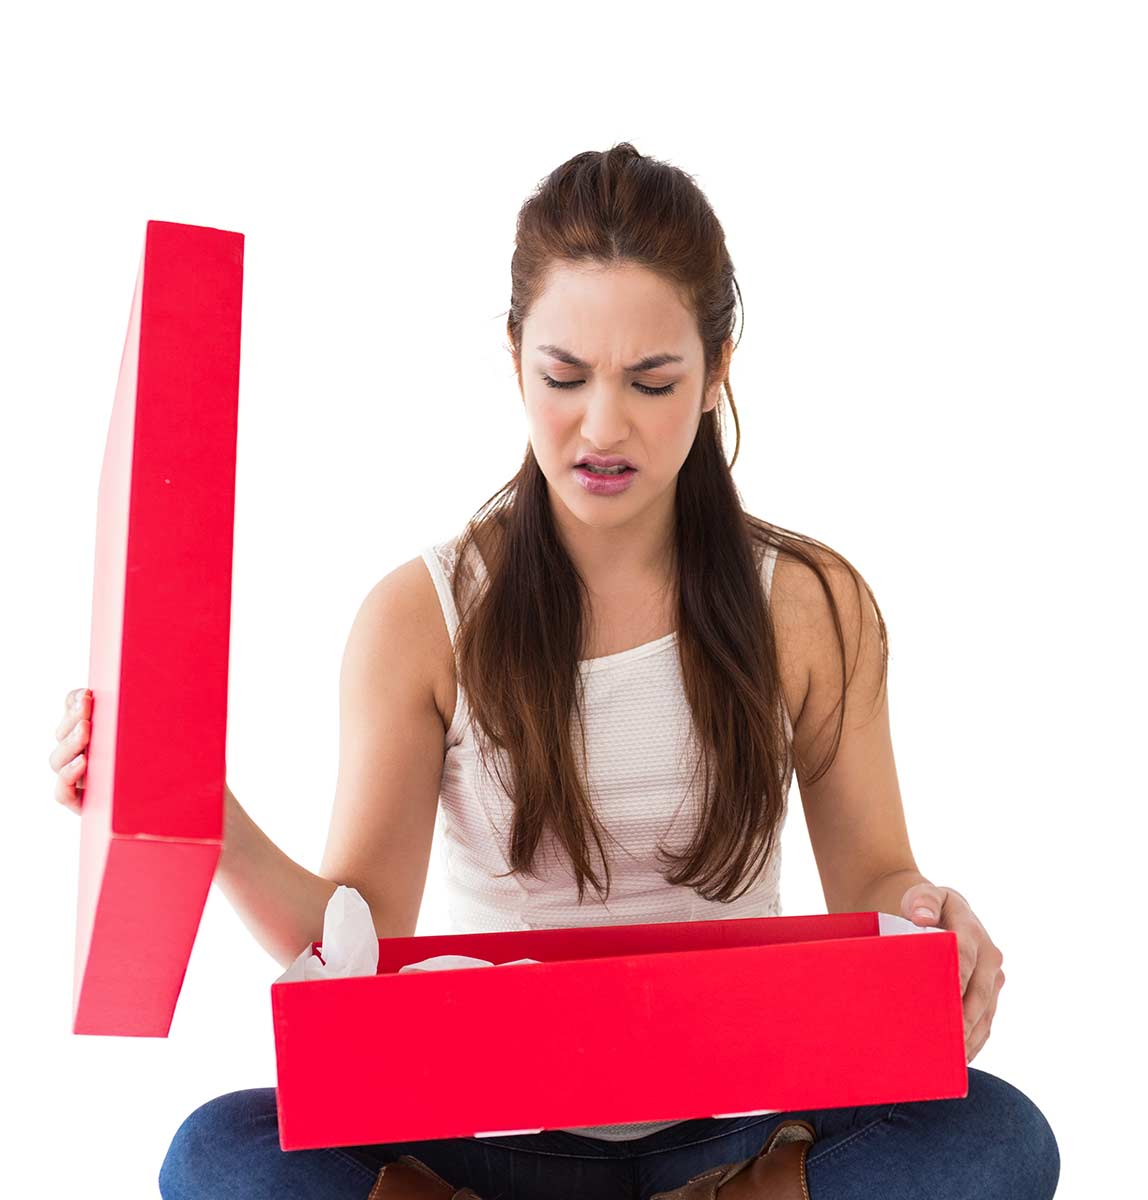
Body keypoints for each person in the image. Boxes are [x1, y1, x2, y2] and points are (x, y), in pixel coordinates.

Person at [50, 142, 1060, 1199]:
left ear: (717, 369)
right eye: (564, 376)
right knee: (219, 1159)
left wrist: (936, 927)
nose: (603, 426)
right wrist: (193, 809)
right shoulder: (421, 617)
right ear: (514, 355)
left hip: (744, 1126)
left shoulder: (808, 605)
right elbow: (353, 950)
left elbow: (875, 894)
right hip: (481, 1136)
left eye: (654, 380)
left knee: (998, 1142)